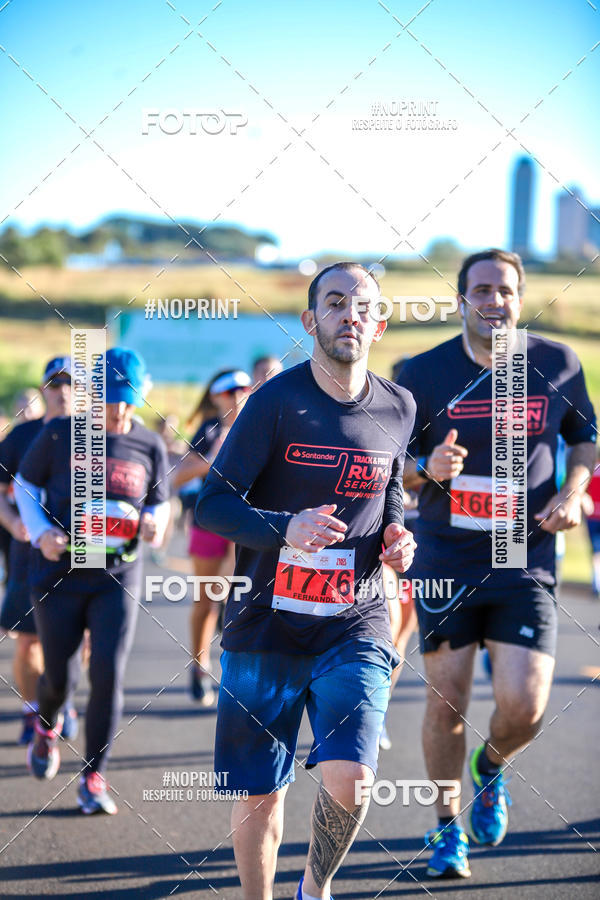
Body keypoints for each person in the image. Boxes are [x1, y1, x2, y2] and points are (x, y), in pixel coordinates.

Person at [196, 261, 416, 900]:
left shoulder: (399, 406)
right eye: (335, 302)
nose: (350, 314)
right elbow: (211, 505)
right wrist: (283, 527)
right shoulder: (274, 401)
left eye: (363, 305)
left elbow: (391, 487)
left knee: (353, 778)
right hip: (266, 622)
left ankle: (314, 887)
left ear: (379, 322)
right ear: (310, 318)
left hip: (357, 617)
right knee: (261, 794)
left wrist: (396, 535)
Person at [396, 248, 597, 878]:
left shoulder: (556, 364)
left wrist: (574, 491)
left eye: (505, 290)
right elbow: (386, 467)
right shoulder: (420, 372)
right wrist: (423, 470)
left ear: (519, 296)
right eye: (480, 290)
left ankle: (492, 766)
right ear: (461, 301)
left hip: (524, 558)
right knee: (444, 705)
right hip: (447, 559)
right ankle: (445, 829)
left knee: (525, 708)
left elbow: (585, 436)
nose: (494, 301)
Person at [14, 347, 170, 814]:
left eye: (128, 400)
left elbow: (161, 502)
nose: (118, 411)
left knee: (108, 675)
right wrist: (41, 533)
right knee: (58, 678)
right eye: (109, 399)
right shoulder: (61, 434)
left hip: (116, 577)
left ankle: (94, 778)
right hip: (59, 576)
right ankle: (46, 730)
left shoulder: (149, 444)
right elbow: (25, 484)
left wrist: (156, 524)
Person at [0, 357, 79, 744]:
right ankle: (31, 709)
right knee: (28, 639)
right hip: (28, 555)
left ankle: (64, 702)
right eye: (54, 383)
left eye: (70, 383)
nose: (62, 391)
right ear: (44, 388)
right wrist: (16, 523)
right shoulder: (21, 436)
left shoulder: (94, 437)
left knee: (78, 638)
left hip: (82, 554)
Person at [173, 369, 252, 705]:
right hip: (208, 524)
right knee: (205, 601)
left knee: (240, 598)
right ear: (218, 396)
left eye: (243, 388)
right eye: (230, 390)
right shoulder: (207, 431)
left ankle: (238, 673)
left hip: (245, 525)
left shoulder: (257, 427)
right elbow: (178, 477)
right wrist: (212, 461)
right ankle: (198, 666)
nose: (237, 395)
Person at [584, 460, 600, 597]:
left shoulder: (590, 470)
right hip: (594, 516)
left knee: (596, 553)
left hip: (592, 516)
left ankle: (596, 584)